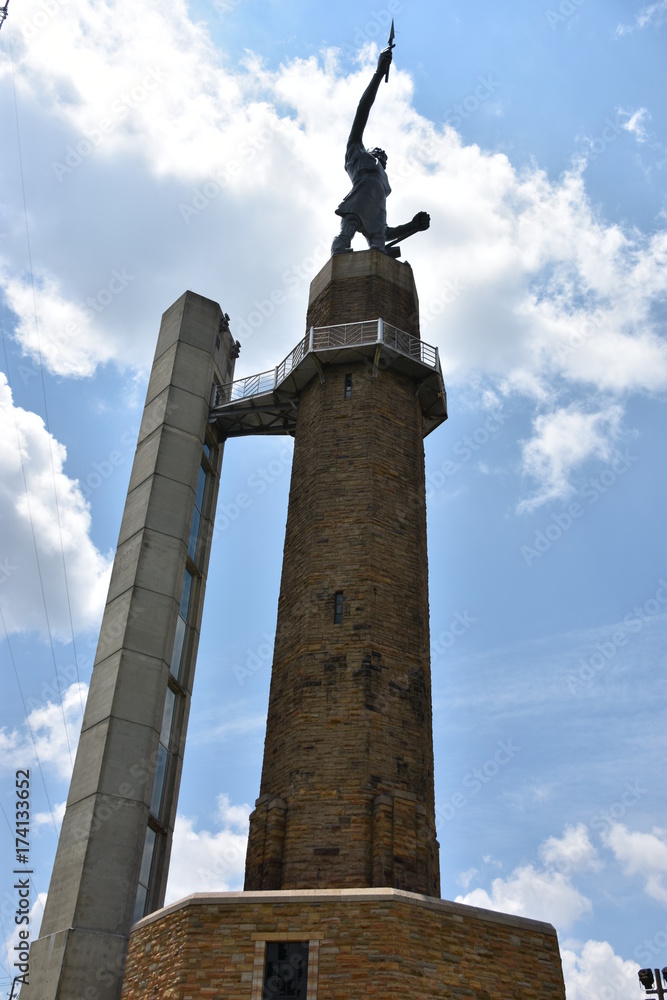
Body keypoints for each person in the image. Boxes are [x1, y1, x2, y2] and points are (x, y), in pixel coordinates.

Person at [331, 45, 430, 257]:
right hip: (357, 204)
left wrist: (413, 225)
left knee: (378, 248)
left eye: (385, 157)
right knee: (348, 229)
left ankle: (378, 259)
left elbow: (384, 232)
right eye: (378, 152)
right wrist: (378, 74)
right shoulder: (356, 153)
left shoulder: (383, 185)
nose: (382, 156)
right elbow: (362, 109)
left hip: (377, 239)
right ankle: (339, 249)